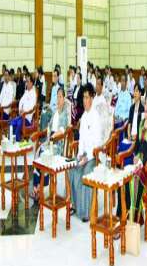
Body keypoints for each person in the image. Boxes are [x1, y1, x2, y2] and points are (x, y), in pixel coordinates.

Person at [118, 92, 147, 221]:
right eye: (145, 104)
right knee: (123, 178)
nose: (146, 107)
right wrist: (134, 154)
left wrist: (141, 160)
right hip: (137, 163)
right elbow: (136, 145)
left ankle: (133, 218)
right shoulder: (141, 123)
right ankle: (122, 215)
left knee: (135, 179)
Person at [69, 84, 103, 222]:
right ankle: (75, 205)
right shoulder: (83, 116)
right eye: (83, 97)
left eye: (87, 97)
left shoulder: (96, 117)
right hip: (84, 154)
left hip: (94, 156)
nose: (85, 100)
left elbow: (97, 143)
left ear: (92, 98)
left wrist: (87, 157)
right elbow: (82, 140)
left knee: (85, 172)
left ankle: (86, 212)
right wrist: (79, 155)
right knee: (72, 169)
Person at [32, 87, 70, 201]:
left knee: (43, 154)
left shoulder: (64, 114)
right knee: (38, 152)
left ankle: (40, 188)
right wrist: (40, 133)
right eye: (57, 97)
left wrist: (53, 137)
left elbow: (62, 130)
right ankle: (36, 187)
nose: (58, 99)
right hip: (50, 141)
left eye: (60, 97)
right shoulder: (55, 113)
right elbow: (49, 127)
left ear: (64, 99)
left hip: (57, 143)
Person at [9, 76, 37, 140]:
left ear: (31, 83)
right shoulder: (26, 92)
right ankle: (11, 141)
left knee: (19, 123)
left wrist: (24, 111)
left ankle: (17, 142)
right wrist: (20, 109)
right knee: (12, 122)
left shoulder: (33, 94)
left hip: (27, 118)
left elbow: (32, 108)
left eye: (28, 82)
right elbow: (21, 102)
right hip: (21, 116)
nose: (26, 83)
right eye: (26, 82)